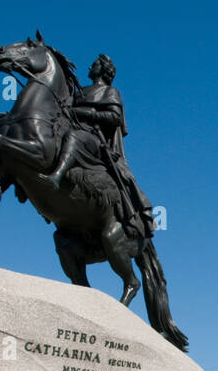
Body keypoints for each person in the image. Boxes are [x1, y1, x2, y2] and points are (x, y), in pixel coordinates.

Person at [39, 54, 155, 237]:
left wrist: (87, 114)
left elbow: (114, 117)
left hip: (94, 139)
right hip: (72, 129)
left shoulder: (110, 92)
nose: (89, 67)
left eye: (94, 64)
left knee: (74, 137)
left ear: (104, 70)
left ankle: (56, 175)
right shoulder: (80, 91)